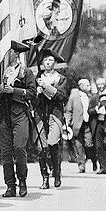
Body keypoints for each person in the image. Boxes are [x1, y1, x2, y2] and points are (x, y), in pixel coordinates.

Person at [0, 40, 37, 198]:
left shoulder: (25, 72)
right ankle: (10, 185)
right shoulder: (0, 72)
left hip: (20, 113)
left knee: (19, 147)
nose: (6, 54)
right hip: (4, 115)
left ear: (16, 54)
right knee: (6, 152)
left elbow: (32, 93)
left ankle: (22, 181)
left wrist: (14, 90)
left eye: (9, 51)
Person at [33, 48, 69, 189]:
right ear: (42, 62)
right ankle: (45, 178)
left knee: (53, 143)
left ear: (55, 63)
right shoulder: (37, 78)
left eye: (51, 60)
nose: (48, 62)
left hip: (55, 114)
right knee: (41, 148)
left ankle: (57, 172)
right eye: (46, 60)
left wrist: (46, 87)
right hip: (40, 115)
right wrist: (37, 92)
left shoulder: (61, 79)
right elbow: (33, 99)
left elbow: (61, 96)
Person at [64, 79, 93, 173]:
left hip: (88, 122)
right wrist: (67, 122)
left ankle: (93, 160)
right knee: (78, 144)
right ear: (81, 86)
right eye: (87, 85)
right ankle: (81, 165)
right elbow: (69, 110)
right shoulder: (74, 96)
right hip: (77, 123)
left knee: (89, 143)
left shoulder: (90, 96)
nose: (89, 87)